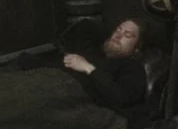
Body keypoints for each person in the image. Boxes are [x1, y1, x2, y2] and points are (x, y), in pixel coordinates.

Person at [19, 17, 148, 118]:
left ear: (136, 49)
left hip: (68, 99)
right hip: (45, 81)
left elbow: (120, 97)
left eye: (127, 35)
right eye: (118, 29)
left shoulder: (132, 67)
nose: (118, 35)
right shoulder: (94, 51)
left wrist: (88, 68)